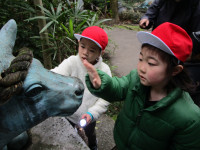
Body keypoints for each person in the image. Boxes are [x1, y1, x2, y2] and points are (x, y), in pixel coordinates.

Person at [83, 22, 200, 149]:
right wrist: (102, 83)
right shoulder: (135, 79)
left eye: (151, 63)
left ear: (175, 70)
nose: (141, 68)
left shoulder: (189, 119)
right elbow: (117, 88)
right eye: (140, 59)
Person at [51, 26, 111, 150]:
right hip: (68, 113)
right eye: (82, 46)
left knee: (90, 135)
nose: (85, 52)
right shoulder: (72, 62)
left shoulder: (104, 71)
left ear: (101, 53)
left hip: (88, 117)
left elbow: (106, 98)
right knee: (69, 134)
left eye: (92, 50)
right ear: (78, 44)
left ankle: (93, 146)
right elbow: (55, 75)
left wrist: (92, 113)